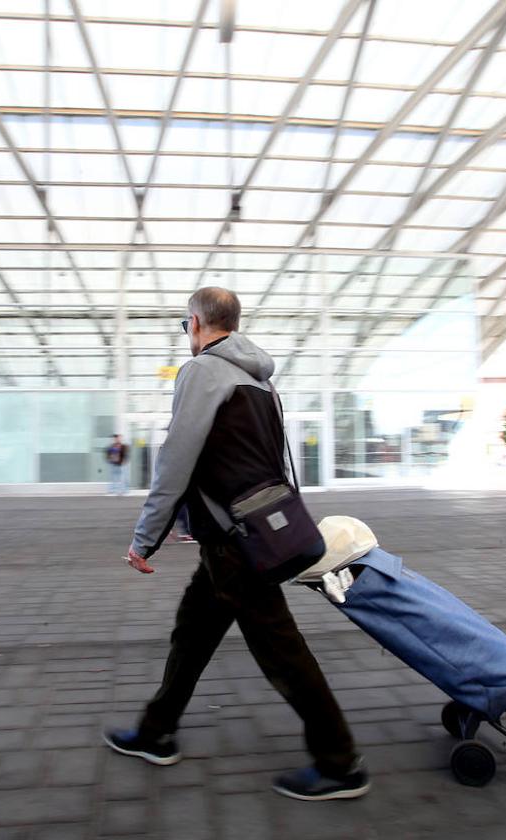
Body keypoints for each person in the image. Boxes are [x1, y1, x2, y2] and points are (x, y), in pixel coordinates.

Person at [104, 287, 368, 802]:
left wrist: (145, 539)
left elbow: (175, 461)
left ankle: (340, 763)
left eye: (186, 327)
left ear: (198, 322)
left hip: (234, 544)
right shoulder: (262, 381)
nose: (187, 336)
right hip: (245, 534)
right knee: (193, 631)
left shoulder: (203, 371)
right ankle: (157, 731)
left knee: (281, 650)